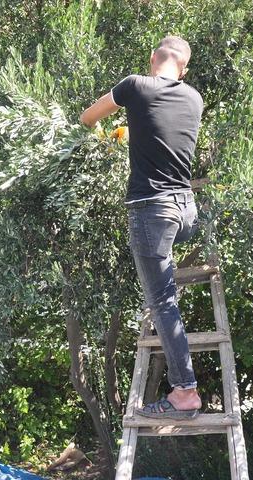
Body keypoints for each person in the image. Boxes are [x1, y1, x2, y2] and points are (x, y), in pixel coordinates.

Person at [80, 36, 203, 419]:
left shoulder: (135, 85)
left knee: (162, 302)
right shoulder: (194, 98)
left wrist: (109, 136)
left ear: (153, 58)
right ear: (183, 68)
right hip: (186, 213)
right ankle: (181, 374)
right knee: (163, 287)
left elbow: (87, 118)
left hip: (152, 210)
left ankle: (185, 392)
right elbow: (161, 133)